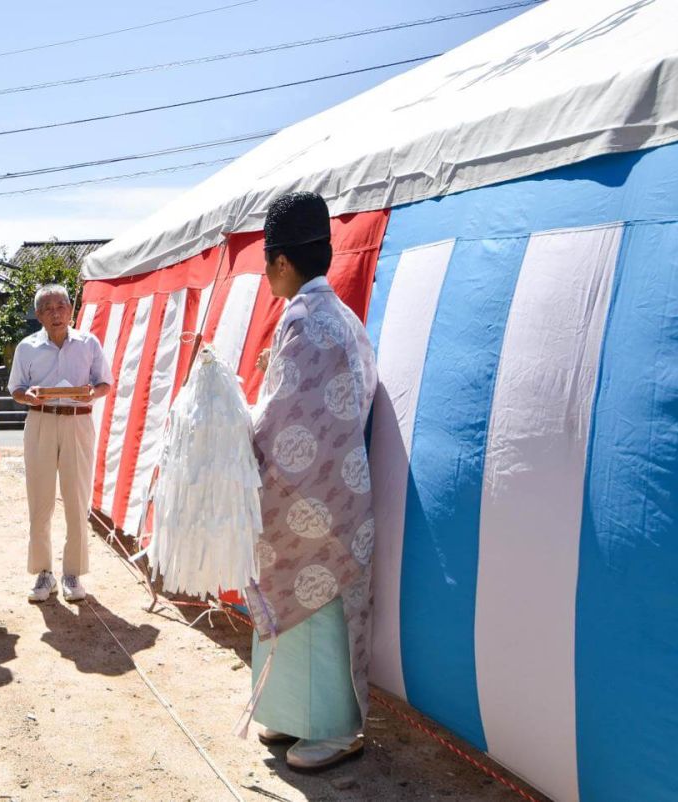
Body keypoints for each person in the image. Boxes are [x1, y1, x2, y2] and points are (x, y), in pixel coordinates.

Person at [245, 192, 378, 770]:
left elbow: (282, 419)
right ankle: (296, 716)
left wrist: (232, 428)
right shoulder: (340, 315)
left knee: (316, 611)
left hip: (313, 500)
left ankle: (333, 726)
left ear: (280, 261)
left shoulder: (305, 320)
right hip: (335, 494)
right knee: (313, 612)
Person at [9, 284, 112, 603]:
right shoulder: (27, 347)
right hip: (40, 419)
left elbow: (105, 382)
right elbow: (16, 389)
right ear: (38, 314)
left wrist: (91, 393)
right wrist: (29, 396)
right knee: (40, 499)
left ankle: (72, 573)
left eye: (61, 306)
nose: (56, 313)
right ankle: (43, 573)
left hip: (79, 420)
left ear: (71, 309)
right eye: (48, 308)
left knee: (77, 497)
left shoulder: (88, 342)